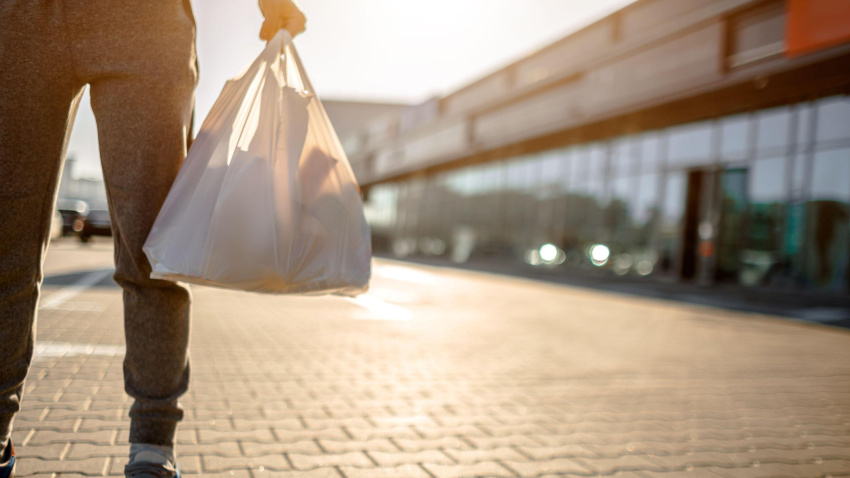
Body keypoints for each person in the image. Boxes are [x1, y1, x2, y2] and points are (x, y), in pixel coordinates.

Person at [0, 1, 306, 477]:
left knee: (154, 247)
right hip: (22, 20)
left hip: (144, 20)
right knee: (4, 248)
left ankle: (153, 446)